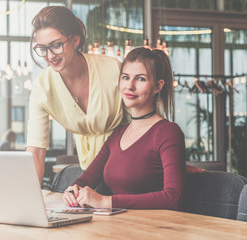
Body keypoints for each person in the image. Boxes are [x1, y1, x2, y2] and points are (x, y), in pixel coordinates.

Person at [27, 6, 202, 184]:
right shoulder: (42, 88)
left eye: (56, 45)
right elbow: (36, 152)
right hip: (89, 172)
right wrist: (30, 199)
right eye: (42, 48)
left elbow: (144, 118)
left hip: (133, 170)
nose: (49, 56)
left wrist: (169, 162)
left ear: (75, 40)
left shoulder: (112, 69)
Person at [63, 47, 185, 210]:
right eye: (125, 78)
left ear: (157, 86)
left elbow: (173, 197)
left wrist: (106, 202)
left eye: (140, 79)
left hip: (152, 229)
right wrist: (72, 190)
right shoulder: (118, 133)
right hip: (117, 226)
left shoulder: (168, 132)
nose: (130, 86)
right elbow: (86, 179)